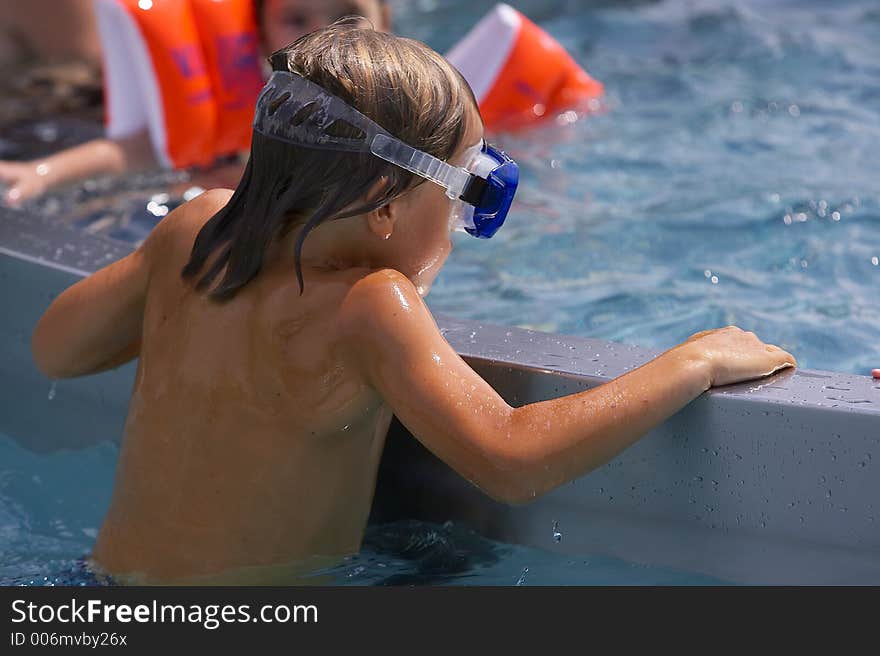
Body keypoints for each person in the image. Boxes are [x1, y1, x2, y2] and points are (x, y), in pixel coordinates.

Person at [31, 22, 796, 585]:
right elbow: (510, 457)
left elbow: (54, 349)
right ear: (384, 204)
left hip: (100, 591)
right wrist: (692, 360)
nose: (460, 228)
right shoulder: (371, 307)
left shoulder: (197, 230)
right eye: (464, 196)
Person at [0, 0, 391, 206]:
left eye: (348, 14)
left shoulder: (397, 96)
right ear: (260, 30)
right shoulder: (249, 90)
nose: (324, 33)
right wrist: (44, 173)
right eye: (295, 18)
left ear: (384, 20)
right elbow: (145, 148)